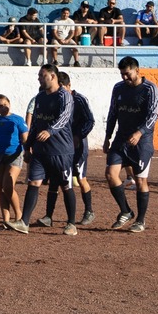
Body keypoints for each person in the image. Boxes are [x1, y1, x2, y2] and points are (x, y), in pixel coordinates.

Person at [104, 56, 158, 233]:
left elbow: (153, 116)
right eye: (122, 75)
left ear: (137, 70)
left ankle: (141, 221)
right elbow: (113, 112)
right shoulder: (118, 88)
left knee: (140, 179)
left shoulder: (150, 89)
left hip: (141, 141)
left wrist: (139, 132)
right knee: (110, 174)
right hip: (121, 139)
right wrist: (107, 136)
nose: (124, 78)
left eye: (127, 74)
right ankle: (126, 211)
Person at [23, 64, 79, 235]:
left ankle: (71, 224)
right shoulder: (39, 97)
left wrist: (50, 130)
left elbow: (64, 118)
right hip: (40, 151)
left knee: (65, 185)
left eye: (43, 75)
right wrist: (27, 146)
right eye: (39, 75)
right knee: (33, 182)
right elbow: (35, 126)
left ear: (53, 76)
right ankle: (24, 222)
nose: (39, 78)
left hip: (61, 150)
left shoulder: (65, 96)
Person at [0, 94, 28, 231]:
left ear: (9, 103)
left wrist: (28, 154)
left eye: (5, 104)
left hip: (14, 155)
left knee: (8, 186)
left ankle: (19, 215)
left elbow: (25, 139)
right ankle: (6, 221)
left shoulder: (18, 120)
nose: (2, 108)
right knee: (1, 189)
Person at [59, 70, 96, 225]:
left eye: (63, 88)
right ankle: (66, 215)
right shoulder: (58, 99)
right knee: (64, 179)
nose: (61, 91)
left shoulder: (79, 100)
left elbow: (90, 121)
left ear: (69, 86)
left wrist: (78, 136)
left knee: (81, 178)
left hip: (78, 144)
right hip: (63, 145)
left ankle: (89, 211)